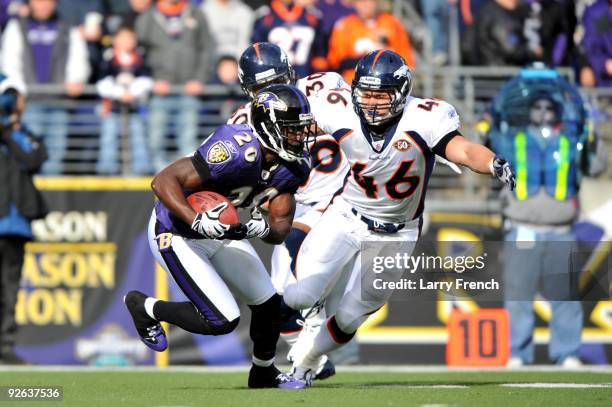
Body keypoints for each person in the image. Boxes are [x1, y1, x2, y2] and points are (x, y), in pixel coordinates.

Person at [283, 49, 516, 385]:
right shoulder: (339, 109)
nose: (372, 102)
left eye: (381, 95)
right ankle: (308, 318)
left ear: (402, 92)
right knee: (300, 296)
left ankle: (307, 362)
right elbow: (293, 128)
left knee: (350, 317)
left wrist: (493, 162)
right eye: (366, 93)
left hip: (397, 234)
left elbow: (462, 150)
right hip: (346, 215)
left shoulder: (426, 117)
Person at [124, 83, 315, 389]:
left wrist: (261, 227)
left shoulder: (293, 167)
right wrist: (196, 219)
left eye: (301, 129)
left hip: (225, 231)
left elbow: (280, 227)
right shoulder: (236, 149)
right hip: (177, 230)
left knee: (268, 305)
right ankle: (145, 307)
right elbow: (163, 181)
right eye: (291, 129)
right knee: (222, 320)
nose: (298, 137)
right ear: (268, 126)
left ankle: (263, 372)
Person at [227, 42, 350, 380]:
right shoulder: (243, 121)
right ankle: (316, 358)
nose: (270, 94)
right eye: (260, 89)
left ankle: (312, 342)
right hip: (296, 207)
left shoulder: (324, 87)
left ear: (291, 75)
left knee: (296, 290)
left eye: (275, 83)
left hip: (343, 198)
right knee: (277, 302)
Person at [488, 65, 607, 366]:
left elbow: (597, 167)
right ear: (529, 109)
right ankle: (518, 353)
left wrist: (593, 139)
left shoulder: (571, 139)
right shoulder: (511, 138)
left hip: (560, 229)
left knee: (564, 296)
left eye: (548, 106)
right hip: (522, 228)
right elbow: (490, 159)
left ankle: (566, 353)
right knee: (518, 295)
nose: (542, 111)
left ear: (557, 109)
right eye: (537, 106)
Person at [1, 0, 90, 174]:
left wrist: (76, 78)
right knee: (29, 152)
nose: (43, 5)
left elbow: (78, 57)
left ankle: (50, 198)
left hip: (58, 102)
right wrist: (18, 91)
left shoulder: (67, 26)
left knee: (55, 155)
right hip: (30, 103)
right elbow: (10, 62)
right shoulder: (17, 26)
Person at [0, 74, 48, 364]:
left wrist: (8, 130)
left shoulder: (26, 133)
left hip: (16, 226)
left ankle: (4, 345)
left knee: (9, 287)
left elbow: (33, 159)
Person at [135, 0, 214, 171]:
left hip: (189, 91)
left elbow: (207, 48)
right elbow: (138, 53)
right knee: (155, 141)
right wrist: (150, 80)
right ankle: (160, 182)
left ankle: (184, 181)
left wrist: (199, 78)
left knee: (188, 142)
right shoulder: (147, 17)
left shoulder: (195, 13)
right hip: (159, 93)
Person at [96, 25, 153, 175]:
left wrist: (133, 92)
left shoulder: (140, 59)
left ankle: (142, 168)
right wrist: (119, 93)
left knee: (139, 136)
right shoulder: (109, 58)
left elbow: (146, 80)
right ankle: (107, 169)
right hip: (112, 108)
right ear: (115, 40)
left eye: (130, 38)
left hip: (134, 108)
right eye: (122, 38)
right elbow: (103, 83)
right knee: (109, 137)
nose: (126, 41)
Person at [326, 0, 415, 83]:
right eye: (362, 1)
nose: (366, 4)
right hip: (354, 81)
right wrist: (364, 58)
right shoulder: (344, 25)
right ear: (355, 3)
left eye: (370, 1)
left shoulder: (392, 23)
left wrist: (385, 54)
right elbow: (335, 61)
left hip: (387, 82)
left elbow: (406, 58)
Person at [250, 0, 328, 77]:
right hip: (276, 78)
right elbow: (258, 53)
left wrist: (318, 74)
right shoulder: (264, 17)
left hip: (306, 75)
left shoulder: (312, 16)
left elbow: (320, 53)